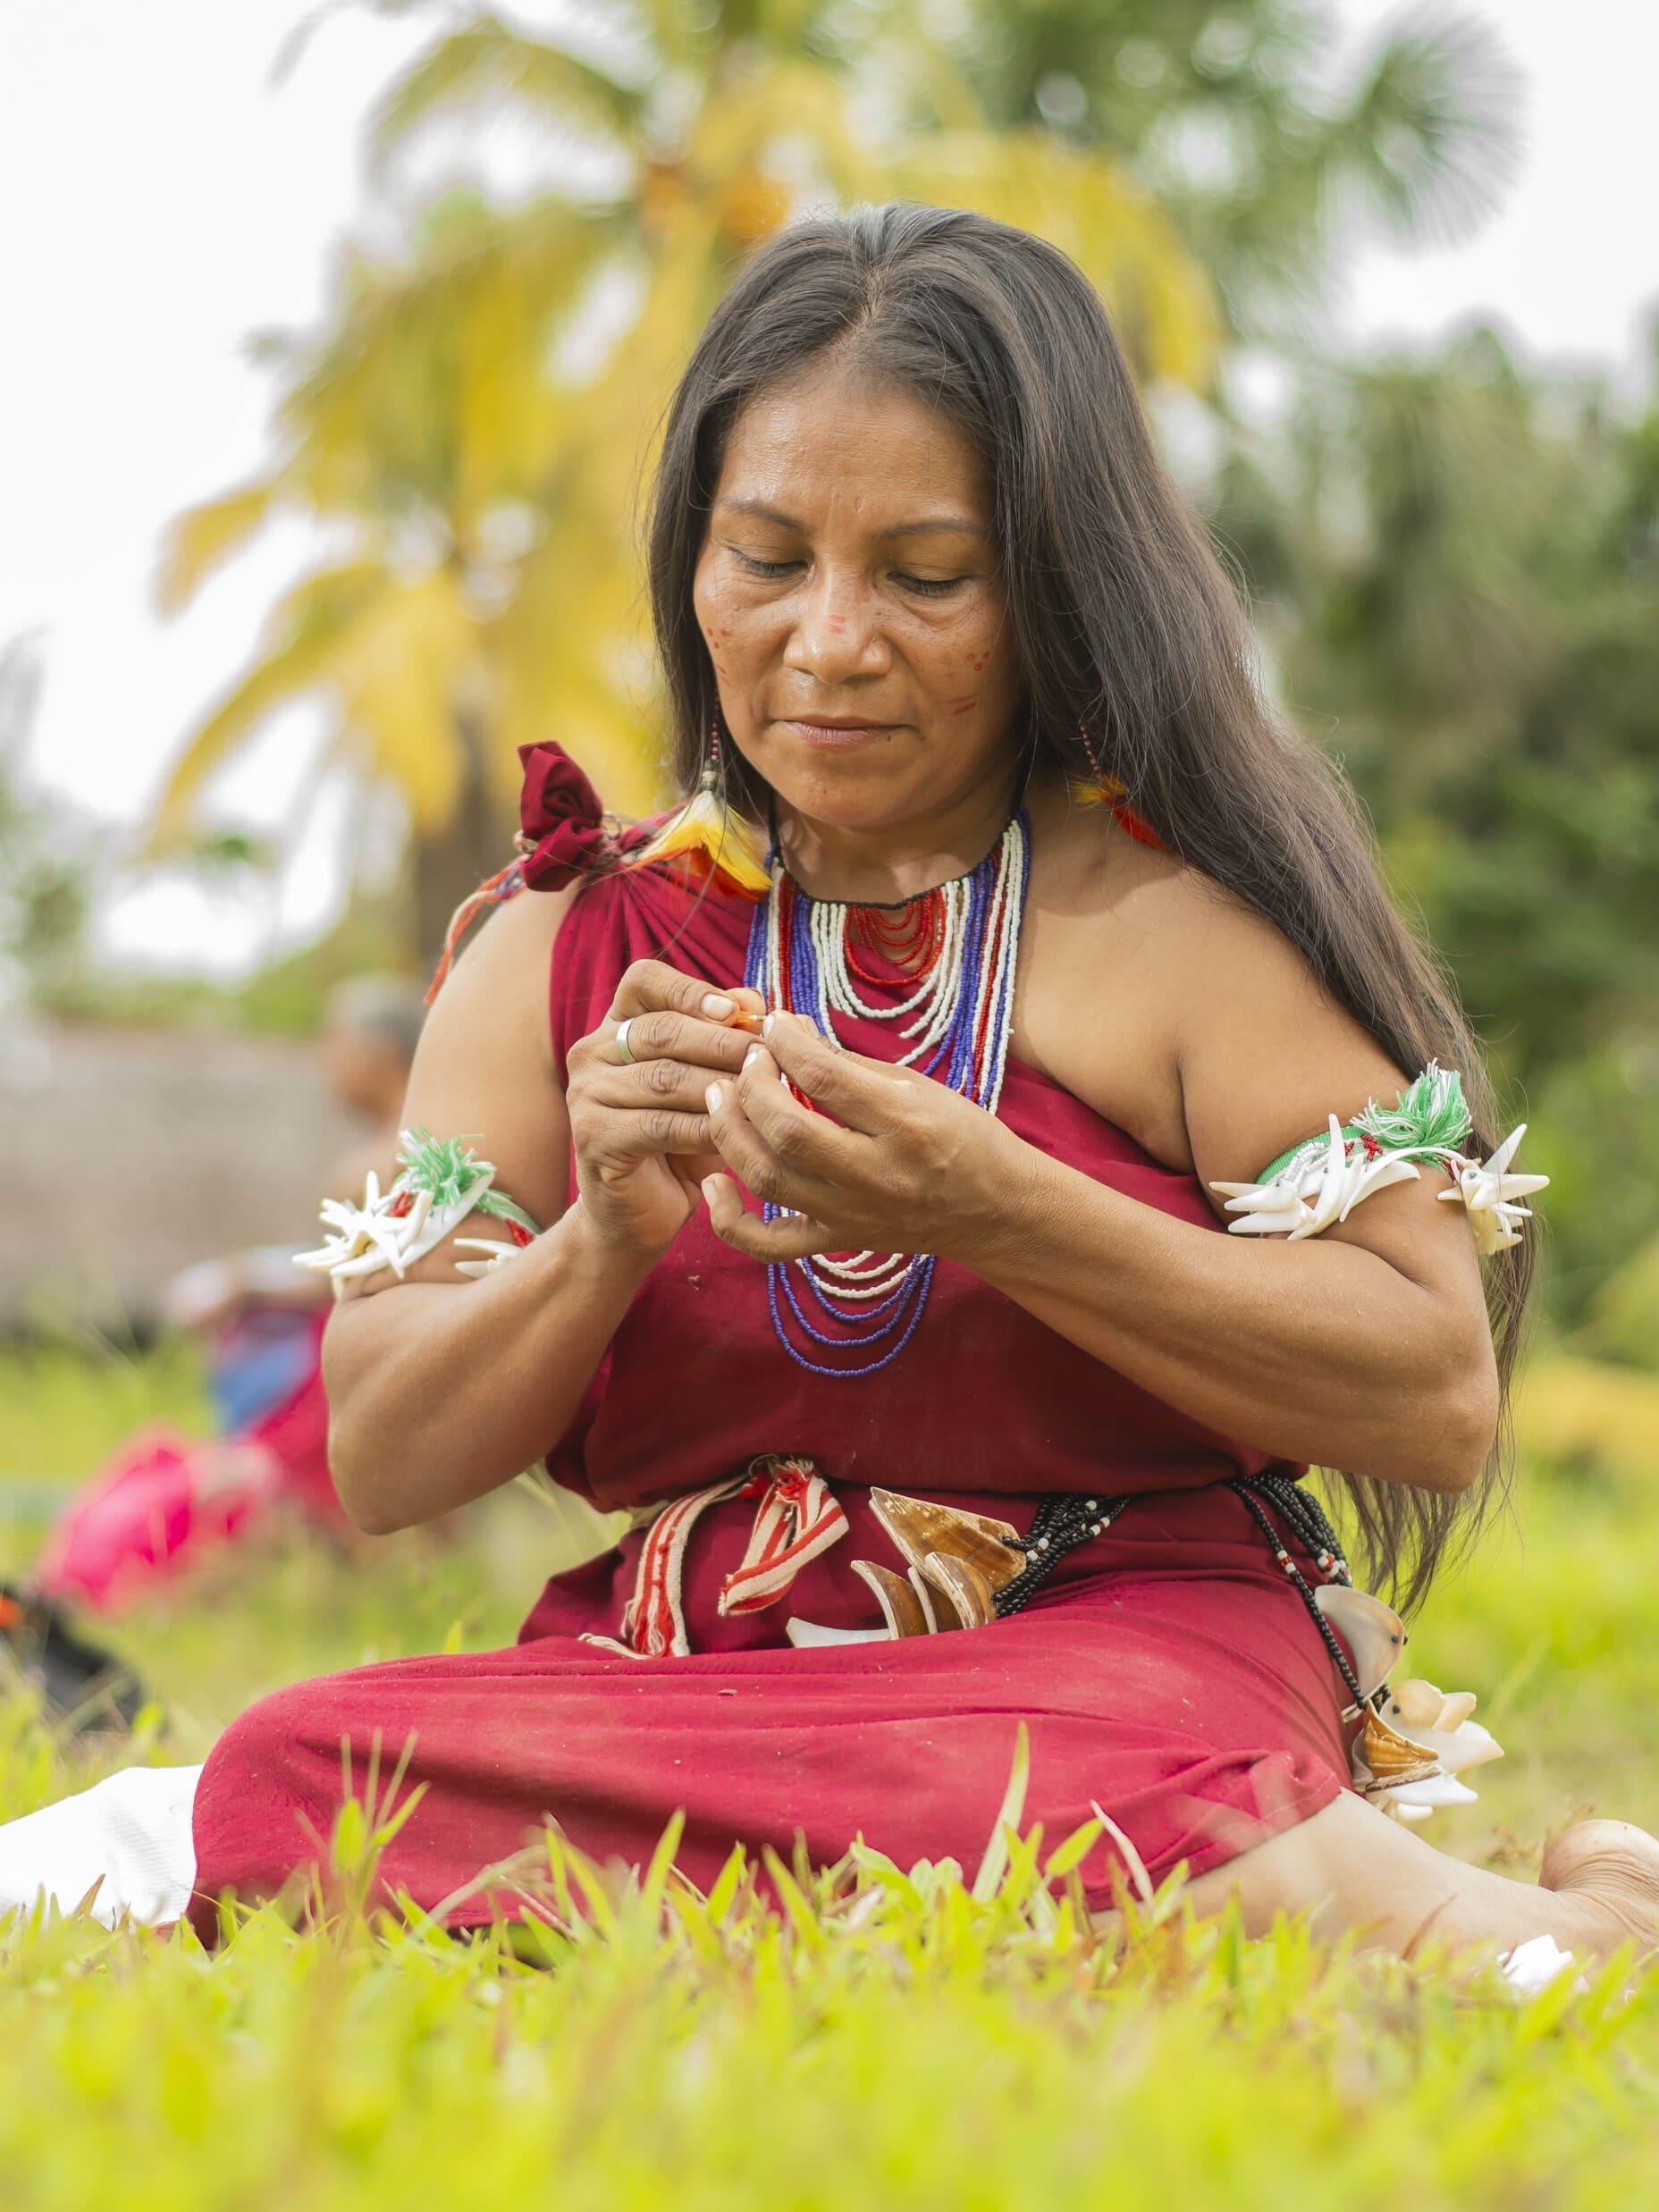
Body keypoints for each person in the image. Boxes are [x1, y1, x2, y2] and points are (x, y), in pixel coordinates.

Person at [2, 204, 1655, 1967]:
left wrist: (995, 1206)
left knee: (1104, 1776)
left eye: (924, 574)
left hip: (1116, 1652)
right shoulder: (555, 946)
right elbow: (387, 1451)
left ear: (1049, 585)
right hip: (684, 1684)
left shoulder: (1184, 938)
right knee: (311, 1766)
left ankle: (1516, 1906)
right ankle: (1405, 1910)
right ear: (689, 564)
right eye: (768, 558)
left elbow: (1430, 1390)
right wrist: (602, 1246)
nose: (829, 639)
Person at [8, 980, 424, 1636]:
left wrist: (245, 1283)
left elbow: (360, 1281)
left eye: (338, 1044)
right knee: (155, 1468)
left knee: (165, 1491)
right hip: (333, 1398)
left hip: (334, 1411)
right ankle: (48, 1600)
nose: (328, 1062)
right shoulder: (420, 1151)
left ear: (381, 1051)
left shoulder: (388, 1159)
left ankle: (57, 1606)